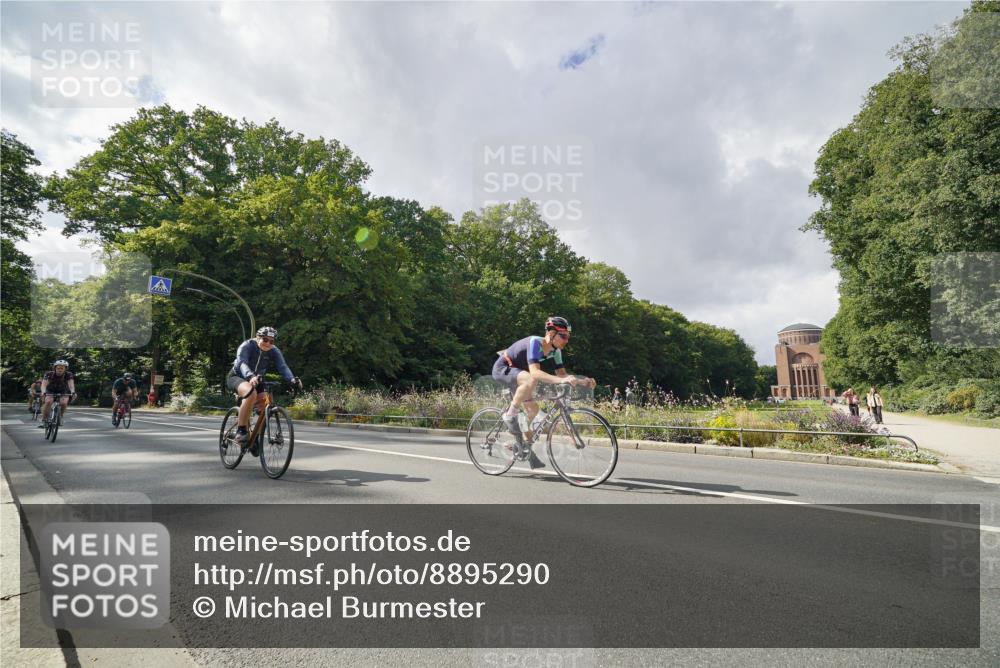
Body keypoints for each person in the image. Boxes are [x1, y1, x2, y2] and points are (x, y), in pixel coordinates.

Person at [491, 316, 596, 469]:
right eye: (564, 336)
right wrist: (561, 381)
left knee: (533, 410)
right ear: (552, 334)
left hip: (520, 374)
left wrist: (581, 381)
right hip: (503, 369)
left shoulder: (556, 351)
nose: (567, 340)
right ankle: (510, 414)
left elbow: (562, 375)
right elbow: (535, 373)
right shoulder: (536, 342)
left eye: (568, 336)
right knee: (530, 379)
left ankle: (522, 446)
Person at [227, 326, 302, 453]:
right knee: (251, 392)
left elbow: (283, 367)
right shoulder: (247, 346)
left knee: (265, 404)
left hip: (258, 379)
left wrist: (292, 380)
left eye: (271, 341)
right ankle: (241, 430)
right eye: (265, 339)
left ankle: (254, 437)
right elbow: (242, 363)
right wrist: (250, 375)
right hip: (238, 376)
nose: (268, 343)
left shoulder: (274, 351)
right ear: (257, 338)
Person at [38, 360, 76, 427]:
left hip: (63, 390)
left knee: (64, 403)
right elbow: (44, 384)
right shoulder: (49, 374)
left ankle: (60, 417)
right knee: (48, 402)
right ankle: (44, 420)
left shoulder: (68, 374)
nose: (60, 370)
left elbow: (71, 384)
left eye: (62, 368)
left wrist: (72, 392)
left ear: (65, 369)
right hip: (50, 390)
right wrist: (43, 392)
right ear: (55, 368)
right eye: (58, 368)